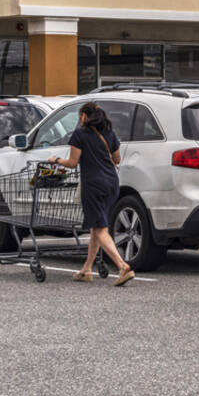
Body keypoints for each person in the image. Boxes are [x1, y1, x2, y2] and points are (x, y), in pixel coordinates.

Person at [52, 102, 135, 286]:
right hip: (112, 183)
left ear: (83, 116)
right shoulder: (110, 133)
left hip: (93, 185)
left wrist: (56, 160)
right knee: (96, 227)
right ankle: (87, 269)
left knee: (100, 228)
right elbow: (117, 159)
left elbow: (73, 162)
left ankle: (122, 266)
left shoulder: (80, 134)